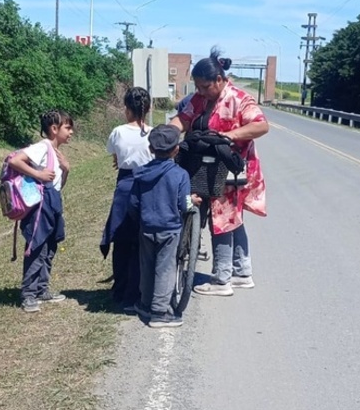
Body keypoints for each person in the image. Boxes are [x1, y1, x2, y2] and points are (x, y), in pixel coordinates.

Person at [171, 48, 269, 296]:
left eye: (205, 86)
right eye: (197, 87)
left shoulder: (239, 99)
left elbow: (261, 125)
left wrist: (230, 135)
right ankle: (242, 273)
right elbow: (183, 119)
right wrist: (168, 134)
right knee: (233, 217)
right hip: (204, 164)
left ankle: (221, 279)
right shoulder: (200, 99)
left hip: (231, 167)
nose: (201, 91)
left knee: (222, 217)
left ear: (218, 80)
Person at [129, 124, 200, 328]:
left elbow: (133, 203)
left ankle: (145, 304)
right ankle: (160, 312)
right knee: (165, 268)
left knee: (147, 265)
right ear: (176, 149)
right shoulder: (180, 174)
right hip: (169, 228)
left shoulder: (140, 173)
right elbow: (183, 204)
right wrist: (193, 202)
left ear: (151, 149)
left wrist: (141, 220)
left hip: (146, 227)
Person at [8, 110, 74, 313]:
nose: (71, 132)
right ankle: (28, 294)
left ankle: (41, 289)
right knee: (36, 247)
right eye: (68, 128)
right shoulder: (43, 147)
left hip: (53, 202)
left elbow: (57, 185)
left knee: (50, 247)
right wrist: (38, 174)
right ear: (54, 129)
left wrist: (66, 169)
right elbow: (15, 161)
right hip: (40, 207)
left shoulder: (55, 151)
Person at [100, 87, 153, 312]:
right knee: (141, 241)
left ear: (127, 109)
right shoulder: (153, 133)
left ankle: (121, 291)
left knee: (121, 239)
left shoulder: (118, 132)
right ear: (147, 109)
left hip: (124, 185)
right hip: (147, 186)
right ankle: (138, 291)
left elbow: (116, 158)